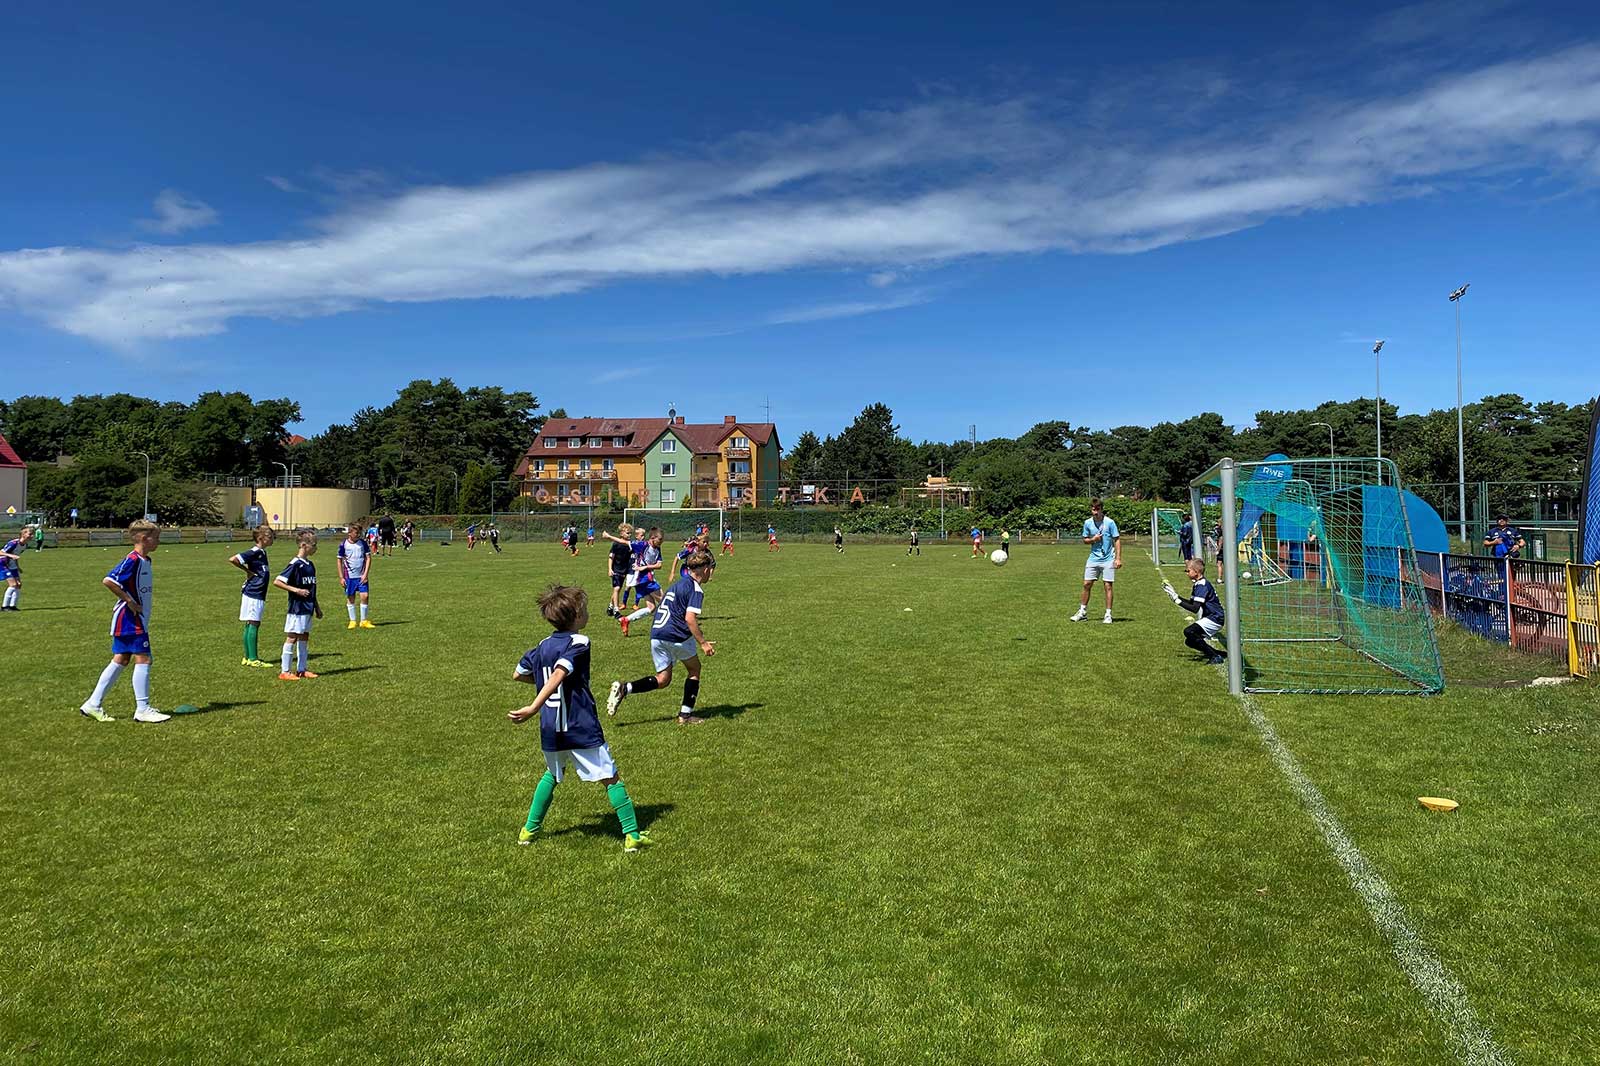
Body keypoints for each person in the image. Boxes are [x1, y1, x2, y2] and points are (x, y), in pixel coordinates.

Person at [511, 585, 653, 852]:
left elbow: (519, 673)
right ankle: (632, 835)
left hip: (551, 728)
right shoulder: (579, 642)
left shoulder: (542, 645)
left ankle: (528, 831)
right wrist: (533, 706)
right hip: (580, 725)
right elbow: (560, 673)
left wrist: (541, 693)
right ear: (576, 616)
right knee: (611, 777)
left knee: (552, 774)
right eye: (585, 609)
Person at [607, 548, 716, 726]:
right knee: (694, 670)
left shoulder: (678, 584)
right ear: (704, 569)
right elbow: (690, 619)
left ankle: (625, 688)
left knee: (663, 679)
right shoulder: (696, 590)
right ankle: (685, 716)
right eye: (710, 569)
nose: (710, 573)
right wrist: (703, 643)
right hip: (676, 634)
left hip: (657, 633)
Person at [78, 520, 168, 723]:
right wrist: (130, 601)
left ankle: (93, 704)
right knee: (144, 658)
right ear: (144, 538)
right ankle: (143, 709)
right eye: (157, 537)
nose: (159, 542)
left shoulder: (146, 560)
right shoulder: (133, 560)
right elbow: (109, 580)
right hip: (129, 619)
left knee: (121, 659)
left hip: (135, 619)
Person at [274, 529, 323, 679]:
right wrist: (296, 590)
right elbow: (278, 581)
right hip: (297, 608)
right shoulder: (295, 564)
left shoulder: (310, 565)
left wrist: (317, 607)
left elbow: (312, 588)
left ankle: (302, 669)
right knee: (292, 636)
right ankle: (285, 671)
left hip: (308, 608)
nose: (315, 548)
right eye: (313, 545)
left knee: (304, 636)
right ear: (303, 545)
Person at [228, 524, 278, 667]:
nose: (272, 538)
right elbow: (233, 559)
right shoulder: (255, 552)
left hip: (256, 592)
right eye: (269, 536)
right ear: (261, 538)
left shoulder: (262, 552)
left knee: (250, 623)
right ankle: (253, 658)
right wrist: (247, 571)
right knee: (254, 623)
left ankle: (247, 657)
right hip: (254, 592)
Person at [1163, 558, 1226, 664]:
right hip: (1211, 617)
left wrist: (1177, 601)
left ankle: (1215, 657)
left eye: (1188, 570)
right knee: (1190, 641)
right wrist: (1176, 596)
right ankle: (1218, 653)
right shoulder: (1198, 584)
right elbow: (1192, 603)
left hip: (1215, 618)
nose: (1186, 573)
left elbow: (1195, 608)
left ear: (1196, 572)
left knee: (1189, 631)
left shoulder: (1202, 585)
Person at [1072, 498, 1121, 624]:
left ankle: (1108, 614)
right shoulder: (1087, 523)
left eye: (1097, 509)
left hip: (1108, 559)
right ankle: (1082, 612)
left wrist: (1118, 558)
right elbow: (1085, 540)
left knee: (1108, 586)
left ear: (1101, 509)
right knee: (1086, 584)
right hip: (1093, 558)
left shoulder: (1109, 523)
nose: (1095, 512)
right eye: (1093, 509)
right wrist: (1093, 539)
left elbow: (1117, 540)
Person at [616, 527, 664, 637]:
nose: (661, 542)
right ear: (652, 538)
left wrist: (646, 566)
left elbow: (659, 565)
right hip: (645, 579)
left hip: (643, 580)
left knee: (651, 608)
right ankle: (677, 624)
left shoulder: (657, 548)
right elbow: (624, 541)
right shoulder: (643, 545)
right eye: (660, 540)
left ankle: (626, 619)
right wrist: (609, 536)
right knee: (665, 601)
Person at [338, 523, 374, 629]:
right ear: (349, 533)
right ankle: (352, 621)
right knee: (351, 597)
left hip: (361, 576)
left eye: (360, 532)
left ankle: (363, 621)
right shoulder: (343, 544)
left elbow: (368, 558)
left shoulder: (363, 543)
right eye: (356, 533)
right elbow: (339, 560)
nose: (359, 535)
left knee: (365, 596)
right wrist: (341, 577)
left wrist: (365, 574)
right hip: (349, 576)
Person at [0, 525, 31, 611]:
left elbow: (16, 557)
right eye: (30, 534)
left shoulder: (25, 545)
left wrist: (17, 567)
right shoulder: (13, 543)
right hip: (3, 563)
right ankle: (4, 607)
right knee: (13, 584)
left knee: (18, 585)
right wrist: (10, 555)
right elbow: (1, 552)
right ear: (23, 534)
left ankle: (13, 606)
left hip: (12, 564)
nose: (32, 536)